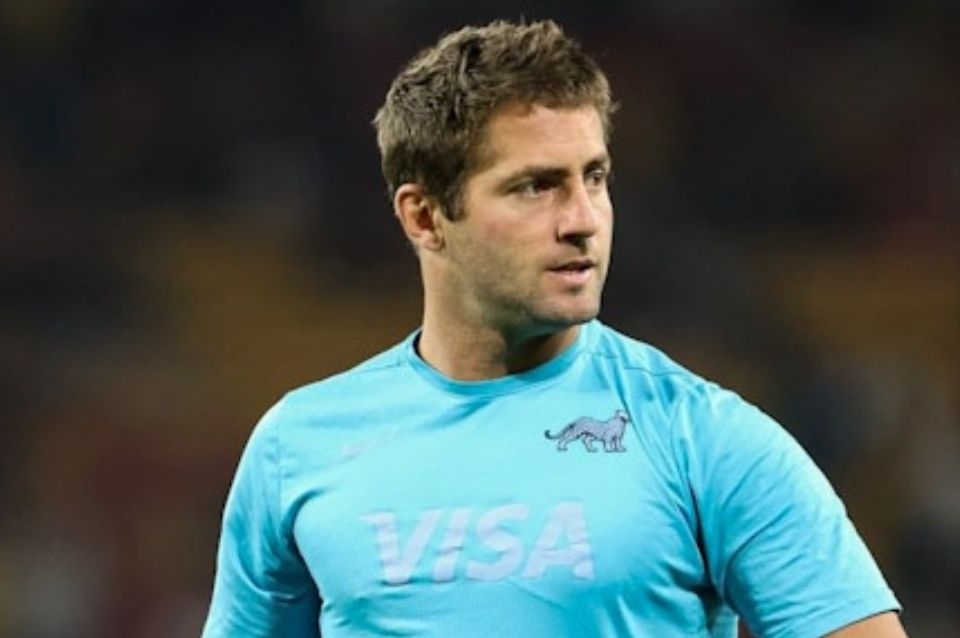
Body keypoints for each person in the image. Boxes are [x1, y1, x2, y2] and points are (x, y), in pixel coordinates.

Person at [201, 19, 907, 638]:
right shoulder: (298, 447)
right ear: (424, 216)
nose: (582, 219)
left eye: (594, 177)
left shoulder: (704, 438)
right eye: (536, 186)